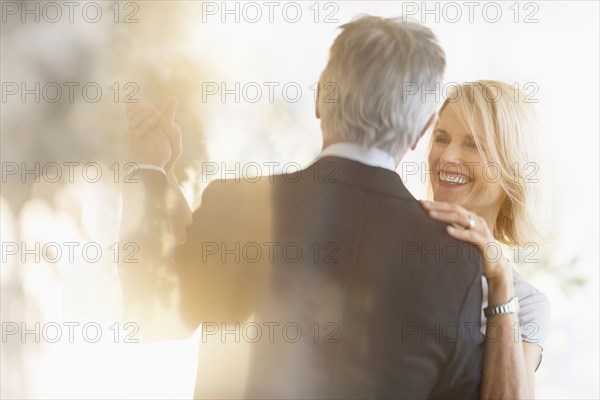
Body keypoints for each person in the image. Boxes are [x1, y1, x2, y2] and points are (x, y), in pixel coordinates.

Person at [120, 16, 486, 399]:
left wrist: (151, 171)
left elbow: (151, 317)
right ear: (423, 129)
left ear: (320, 98)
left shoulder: (236, 205)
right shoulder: (456, 259)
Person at [420, 80, 551, 398]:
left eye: (473, 144)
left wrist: (499, 282)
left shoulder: (529, 304)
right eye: (442, 138)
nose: (447, 157)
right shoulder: (394, 240)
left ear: (511, 167)